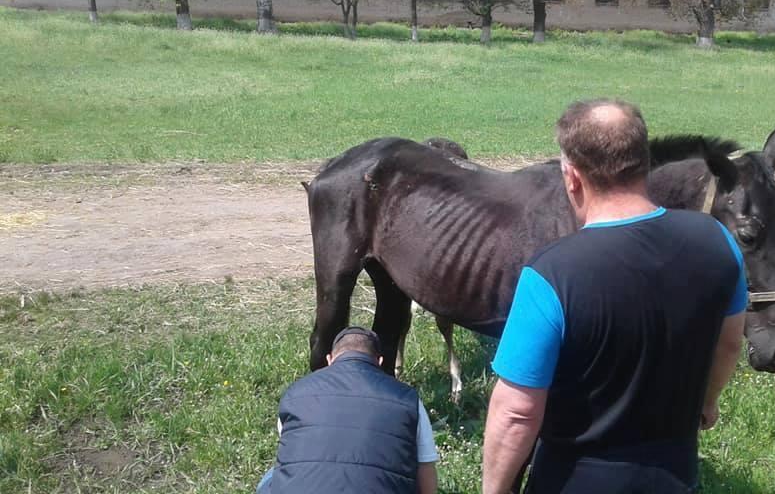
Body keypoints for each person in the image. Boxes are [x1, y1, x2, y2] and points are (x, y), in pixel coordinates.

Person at [481, 99, 747, 494]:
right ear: (645, 162)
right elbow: (729, 344)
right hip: (675, 475)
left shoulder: (552, 274)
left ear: (572, 178)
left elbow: (517, 412)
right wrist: (708, 400)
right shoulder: (718, 242)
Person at [257, 326, 439, 494]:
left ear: (329, 360)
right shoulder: (407, 399)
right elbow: (426, 471)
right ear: (380, 361)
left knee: (272, 476)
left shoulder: (295, 393)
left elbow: (290, 449)